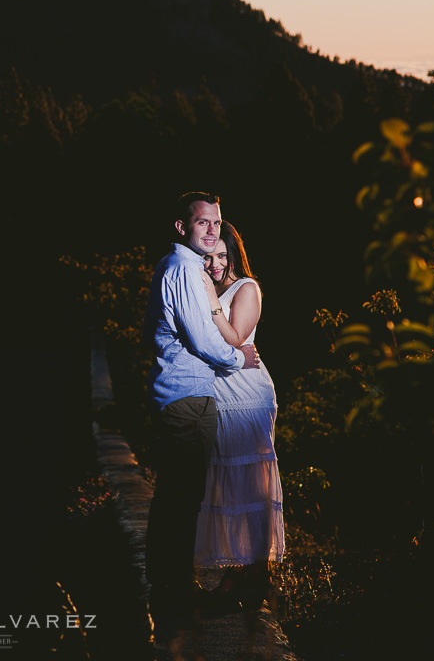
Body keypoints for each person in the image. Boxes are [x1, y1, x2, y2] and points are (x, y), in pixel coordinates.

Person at [143, 192, 259, 613]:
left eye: (216, 222)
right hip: (187, 394)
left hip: (179, 391)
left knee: (176, 491)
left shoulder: (174, 266)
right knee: (182, 494)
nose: (211, 231)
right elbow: (204, 338)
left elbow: (150, 331)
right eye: (202, 223)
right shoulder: (185, 269)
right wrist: (237, 358)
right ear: (182, 227)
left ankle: (167, 580)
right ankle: (175, 587)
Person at [195, 221, 284, 611]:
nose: (214, 264)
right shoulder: (205, 289)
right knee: (228, 483)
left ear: (234, 253)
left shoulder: (246, 288)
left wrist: (210, 303)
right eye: (208, 256)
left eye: (222, 256)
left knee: (251, 484)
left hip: (247, 396)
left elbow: (233, 337)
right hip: (221, 394)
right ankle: (239, 572)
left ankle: (254, 577)